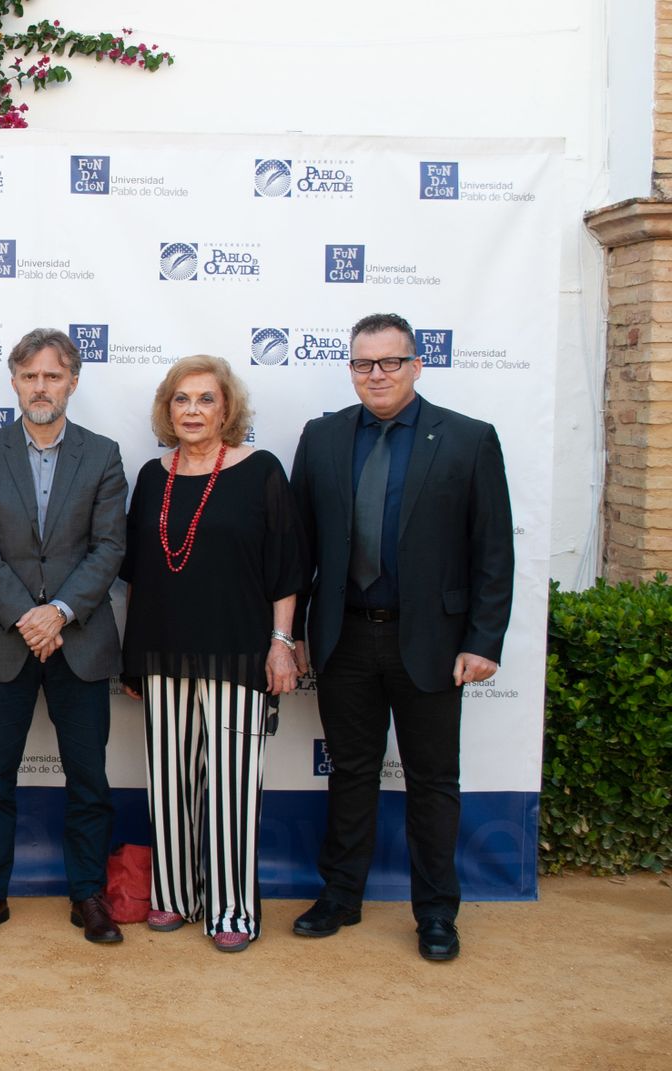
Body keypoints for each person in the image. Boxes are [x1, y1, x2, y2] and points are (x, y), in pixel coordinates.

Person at [289, 312, 513, 962]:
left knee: (434, 780)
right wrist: (292, 631)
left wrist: (483, 639)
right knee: (351, 773)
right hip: (345, 639)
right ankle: (340, 896)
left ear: (417, 364)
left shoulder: (468, 440)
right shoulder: (324, 437)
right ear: (352, 368)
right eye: (364, 363)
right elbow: (299, 546)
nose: (377, 374)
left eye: (390, 361)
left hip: (435, 645)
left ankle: (437, 913)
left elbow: (492, 551)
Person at [118, 354, 303, 953]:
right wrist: (132, 658)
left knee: (230, 787)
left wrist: (281, 644)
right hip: (164, 653)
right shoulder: (152, 475)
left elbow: (287, 569)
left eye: (205, 399)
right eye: (181, 399)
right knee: (168, 783)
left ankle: (232, 907)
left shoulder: (261, 471)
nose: (192, 410)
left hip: (239, 653)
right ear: (166, 410)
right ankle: (174, 893)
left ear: (228, 409)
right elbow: (140, 577)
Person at [0, 328, 129, 944]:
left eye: (52, 376)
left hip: (79, 641)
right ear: (14, 383)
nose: (41, 387)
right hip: (4, 639)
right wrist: (29, 617)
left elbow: (110, 546)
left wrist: (57, 611)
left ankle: (89, 896)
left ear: (73, 382)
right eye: (30, 376)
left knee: (89, 779)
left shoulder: (104, 454)